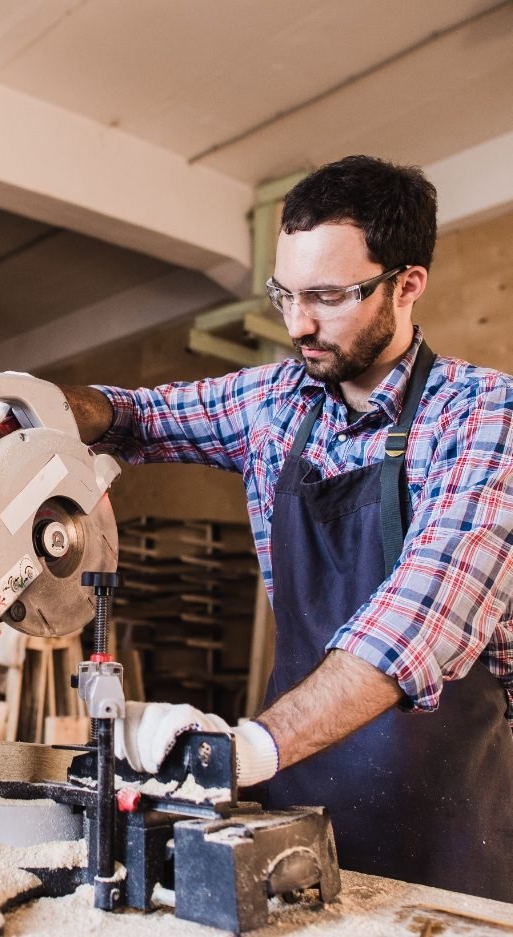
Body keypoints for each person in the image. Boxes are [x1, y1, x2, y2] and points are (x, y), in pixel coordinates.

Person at [55, 155, 513, 901]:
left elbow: (421, 619)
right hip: (296, 808)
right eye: (285, 294)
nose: (298, 324)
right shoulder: (277, 402)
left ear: (406, 285)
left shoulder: (483, 415)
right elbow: (137, 414)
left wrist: (246, 749)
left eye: (328, 297)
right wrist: (36, 411)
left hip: (448, 833)